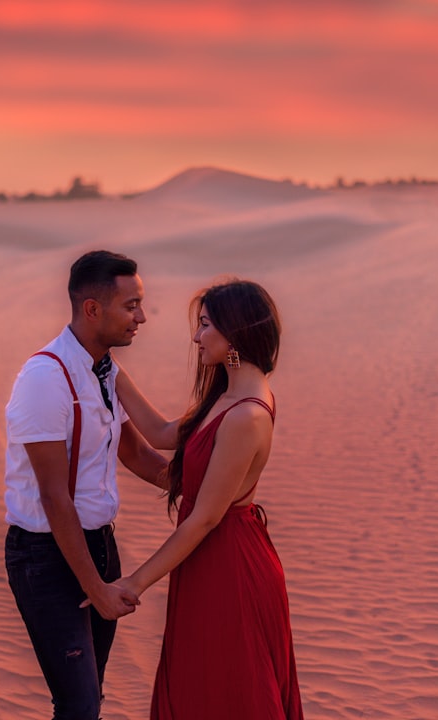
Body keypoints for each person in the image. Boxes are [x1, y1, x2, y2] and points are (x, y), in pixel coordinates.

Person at [102, 279, 304, 719]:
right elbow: (158, 435)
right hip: (207, 561)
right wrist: (108, 372)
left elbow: (204, 519)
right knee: (200, 682)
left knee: (226, 688)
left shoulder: (246, 414)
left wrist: (133, 583)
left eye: (206, 325)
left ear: (235, 331)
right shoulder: (225, 395)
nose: (196, 337)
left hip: (229, 567)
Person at [4, 250, 169, 720]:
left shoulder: (105, 370)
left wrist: (207, 485)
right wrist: (95, 587)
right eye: (131, 305)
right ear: (93, 309)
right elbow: (54, 498)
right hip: (45, 555)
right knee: (77, 706)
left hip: (99, 545)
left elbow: (140, 450)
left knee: (89, 699)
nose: (141, 317)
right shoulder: (45, 378)